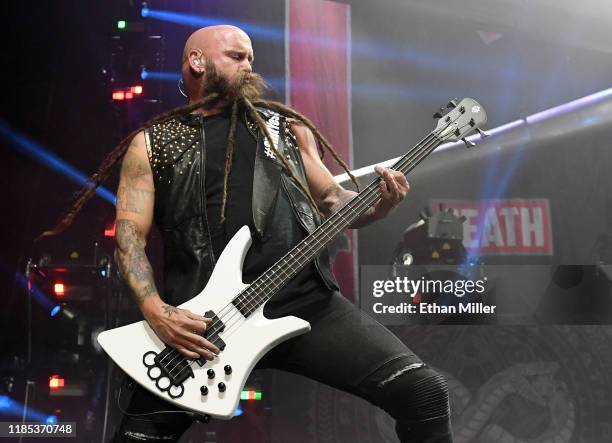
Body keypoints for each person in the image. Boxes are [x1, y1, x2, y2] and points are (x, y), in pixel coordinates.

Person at [45, 24, 453, 443]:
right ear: (197, 62)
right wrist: (156, 311)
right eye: (236, 56)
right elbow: (129, 238)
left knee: (423, 393)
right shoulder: (154, 143)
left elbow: (333, 199)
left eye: (251, 58)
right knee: (139, 437)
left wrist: (378, 204)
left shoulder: (288, 130)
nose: (249, 65)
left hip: (305, 303)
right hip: (204, 326)